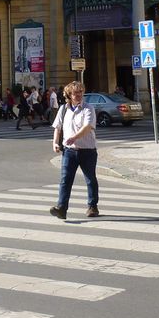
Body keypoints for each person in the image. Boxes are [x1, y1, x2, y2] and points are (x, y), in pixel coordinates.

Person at [49, 81, 99, 219]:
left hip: (87, 150)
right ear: (69, 95)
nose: (78, 95)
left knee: (90, 179)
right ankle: (62, 208)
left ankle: (92, 206)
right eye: (75, 93)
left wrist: (74, 137)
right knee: (65, 179)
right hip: (69, 151)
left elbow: (87, 127)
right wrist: (55, 143)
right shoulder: (63, 109)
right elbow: (57, 128)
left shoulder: (88, 108)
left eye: (80, 92)